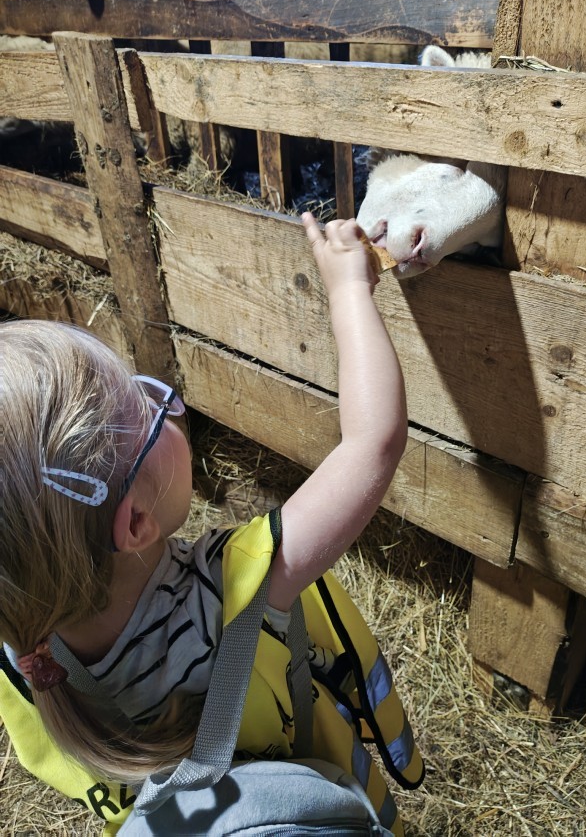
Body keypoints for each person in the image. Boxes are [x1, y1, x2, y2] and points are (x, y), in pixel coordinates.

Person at [0, 213, 424, 835]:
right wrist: (349, 287)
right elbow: (372, 443)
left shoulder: (26, 643)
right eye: (147, 408)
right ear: (136, 521)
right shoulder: (229, 590)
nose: (165, 400)